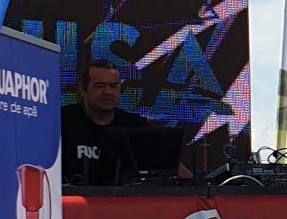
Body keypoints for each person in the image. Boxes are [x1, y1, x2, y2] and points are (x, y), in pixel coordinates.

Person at [61, 50, 190, 183]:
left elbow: (172, 166)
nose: (108, 92)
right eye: (100, 86)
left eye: (113, 86)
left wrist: (195, 187)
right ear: (83, 90)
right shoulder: (62, 121)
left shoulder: (136, 125)